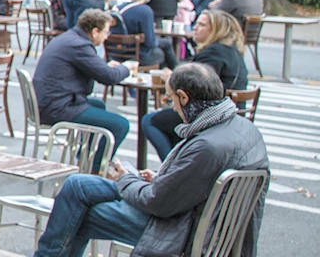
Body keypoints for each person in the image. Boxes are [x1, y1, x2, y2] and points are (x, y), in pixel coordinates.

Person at [30, 63, 268, 257]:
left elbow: (156, 202)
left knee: (78, 213)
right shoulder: (243, 128)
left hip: (183, 230)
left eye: (170, 99)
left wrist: (126, 177)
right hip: (199, 215)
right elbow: (195, 183)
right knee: (77, 185)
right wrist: (159, 178)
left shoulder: (207, 146)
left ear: (184, 97)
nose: (172, 107)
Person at [139, 10, 249, 159]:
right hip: (230, 113)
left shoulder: (213, 53)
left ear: (216, 30)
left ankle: (173, 169)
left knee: (149, 121)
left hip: (208, 116)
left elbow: (195, 87)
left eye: (202, 25)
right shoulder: (232, 51)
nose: (195, 27)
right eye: (196, 23)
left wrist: (170, 78)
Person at [34, 8, 132, 151]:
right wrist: (127, 67)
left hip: (49, 101)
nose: (107, 37)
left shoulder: (70, 38)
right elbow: (110, 77)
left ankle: (85, 158)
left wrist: (105, 66)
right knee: (120, 124)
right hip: (57, 107)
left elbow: (94, 66)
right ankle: (97, 167)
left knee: (98, 105)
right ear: (95, 31)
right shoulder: (79, 45)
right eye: (106, 32)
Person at [113, 0, 165, 68]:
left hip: (116, 53)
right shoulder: (145, 11)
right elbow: (150, 42)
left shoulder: (117, 8)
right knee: (162, 50)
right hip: (136, 55)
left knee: (165, 44)